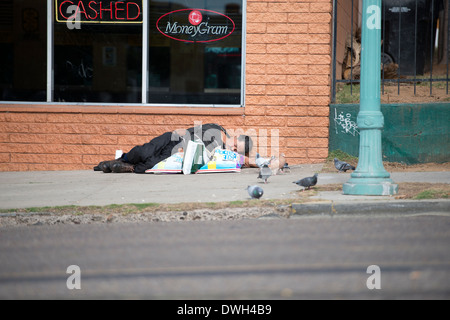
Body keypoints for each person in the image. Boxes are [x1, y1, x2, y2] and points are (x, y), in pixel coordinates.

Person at [94, 123, 254, 174]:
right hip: (172, 139)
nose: (232, 148)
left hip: (173, 154)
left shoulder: (220, 154)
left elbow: (246, 161)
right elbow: (191, 130)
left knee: (148, 165)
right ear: (234, 137)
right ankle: (122, 159)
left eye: (235, 150)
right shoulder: (215, 129)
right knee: (143, 152)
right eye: (235, 144)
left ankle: (125, 167)